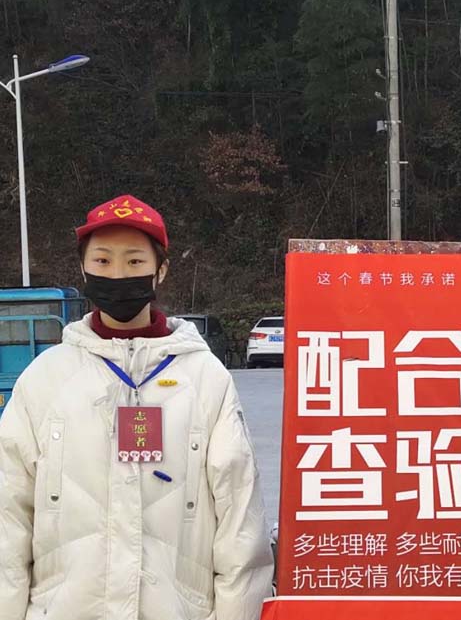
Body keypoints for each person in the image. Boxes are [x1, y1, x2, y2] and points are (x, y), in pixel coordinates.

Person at [0, 195, 273, 620]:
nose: (117, 274)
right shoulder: (46, 378)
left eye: (134, 261)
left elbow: (241, 523)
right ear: (84, 269)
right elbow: (9, 515)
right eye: (103, 260)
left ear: (160, 269)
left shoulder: (205, 378)